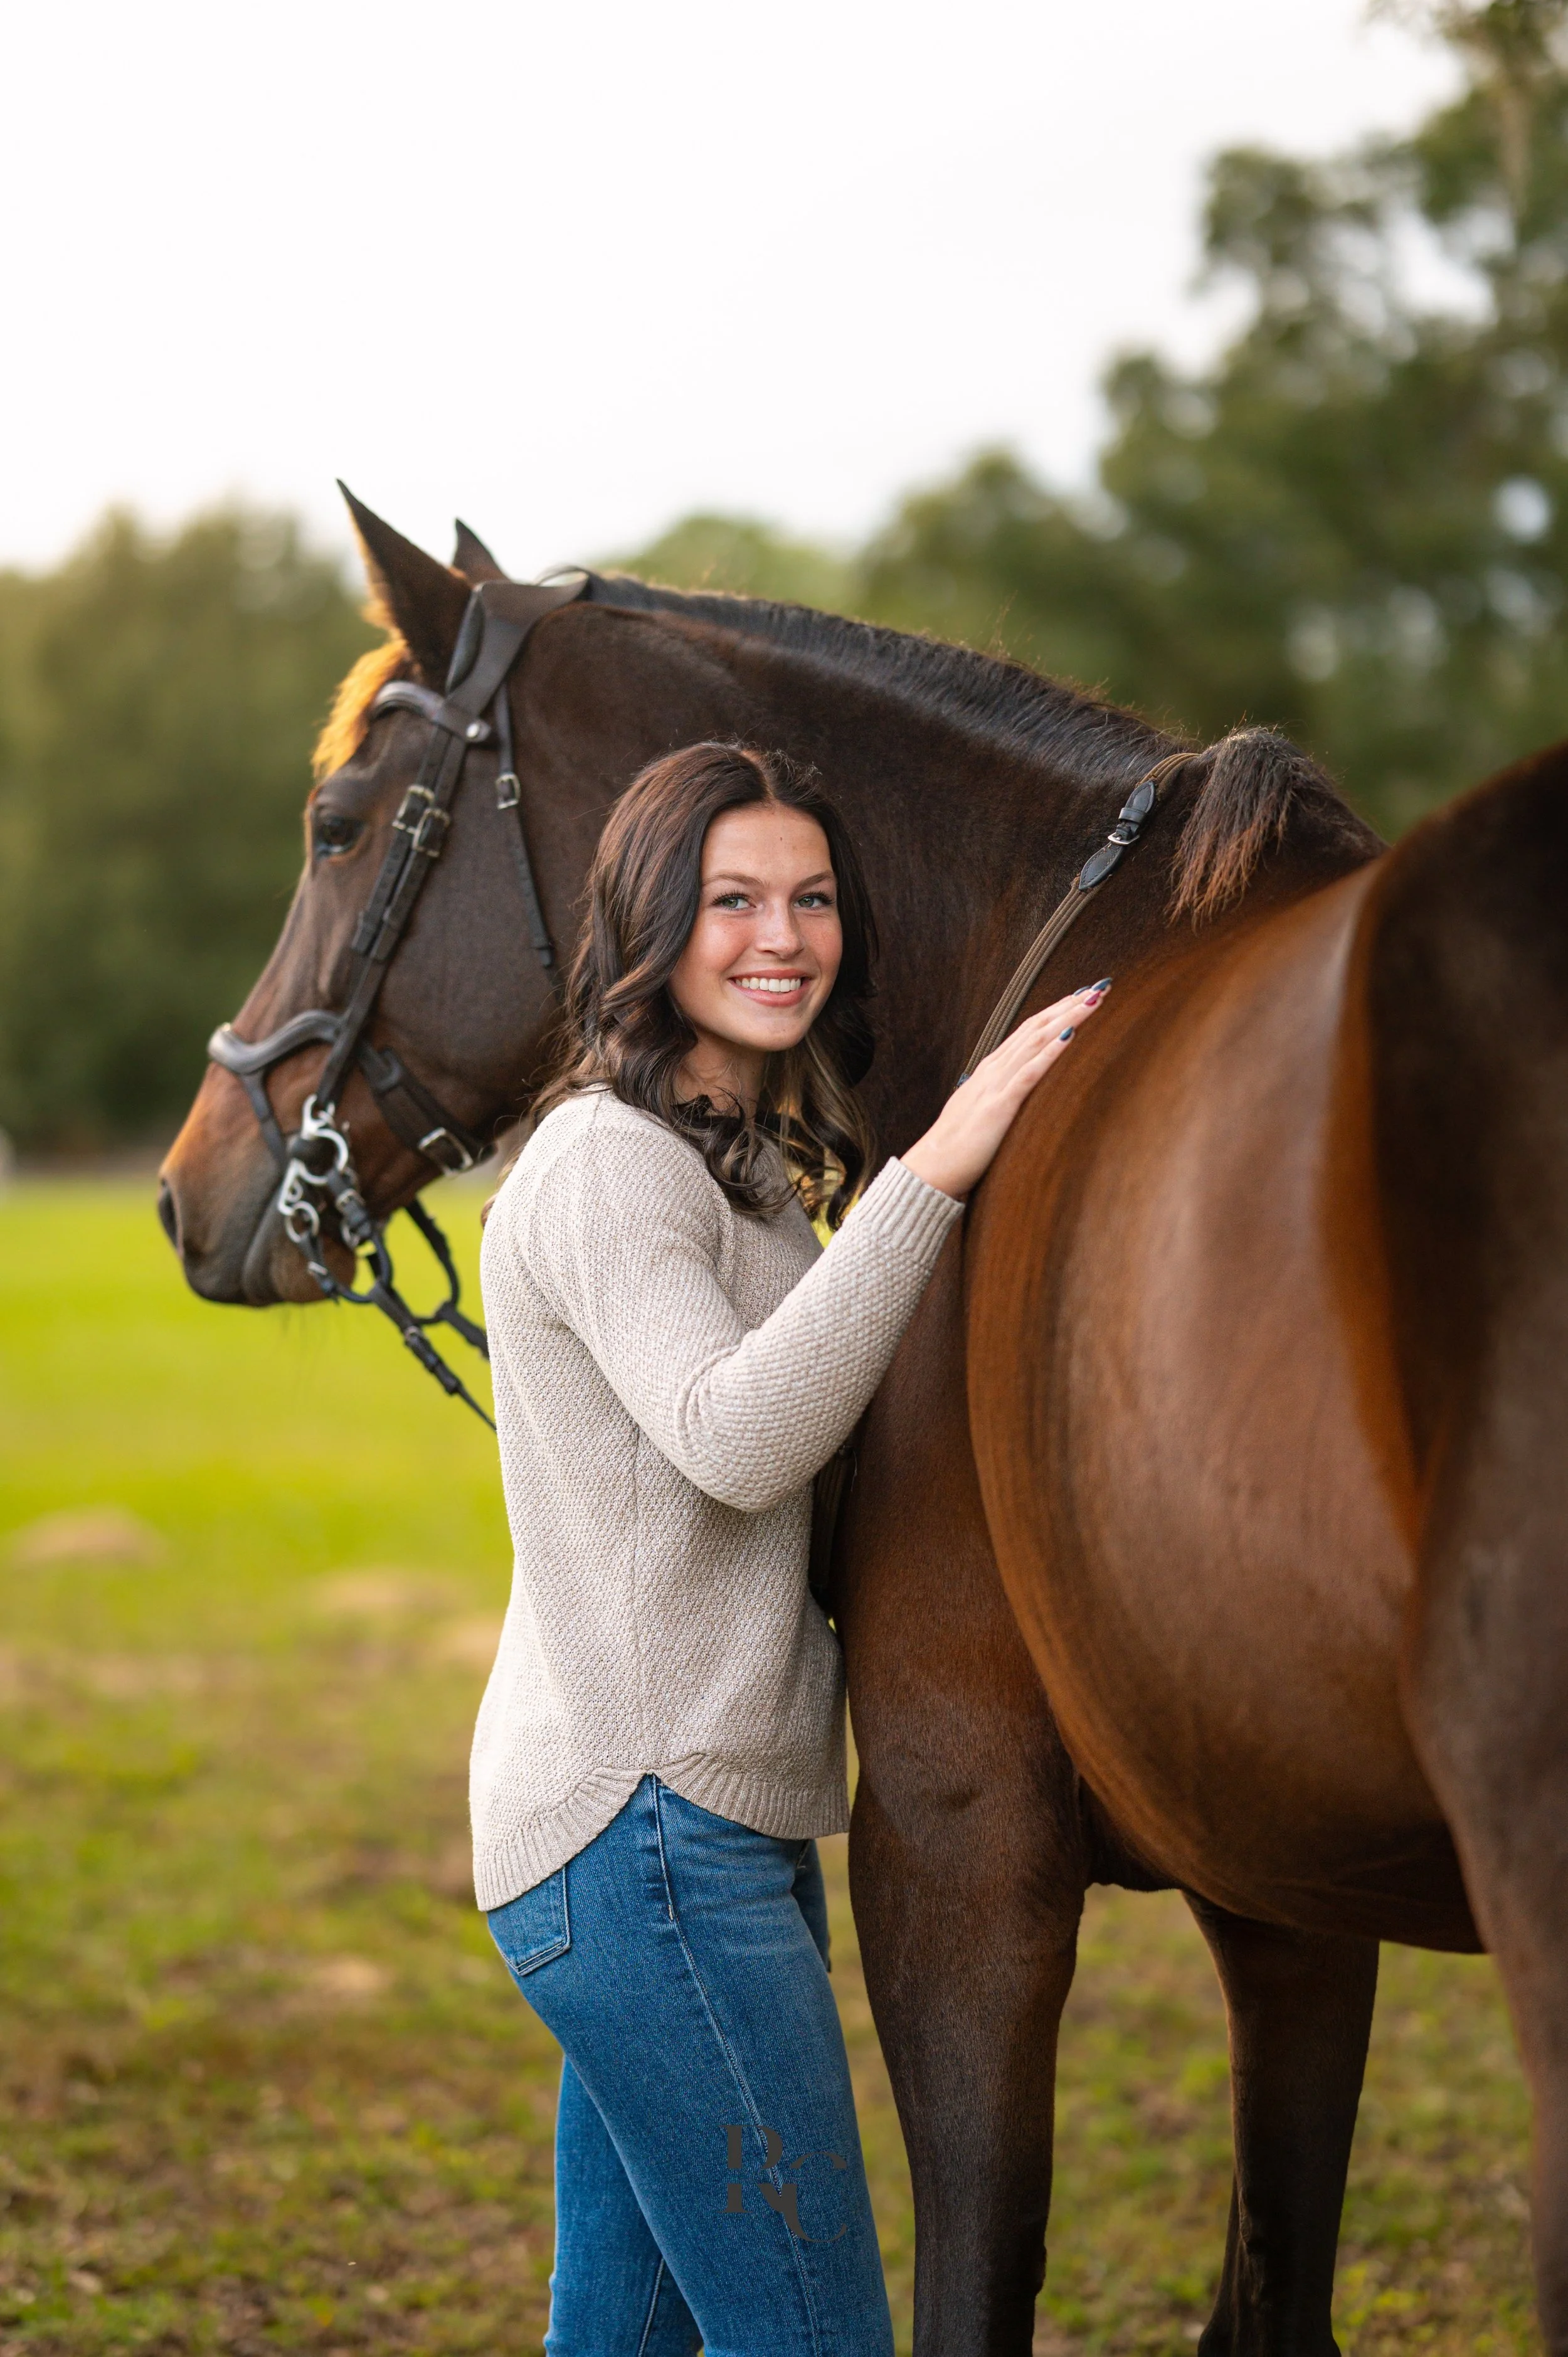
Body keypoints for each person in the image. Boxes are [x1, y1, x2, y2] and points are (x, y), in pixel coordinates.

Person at [475, 741, 1108, 2354]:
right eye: (731, 898)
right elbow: (739, 1436)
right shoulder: (606, 1166)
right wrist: (939, 1164)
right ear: (650, 924)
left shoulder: (747, 1191)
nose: (782, 935)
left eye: (811, 898)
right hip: (645, 1840)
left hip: (687, 1833)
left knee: (622, 2342)